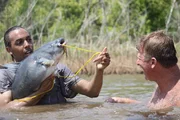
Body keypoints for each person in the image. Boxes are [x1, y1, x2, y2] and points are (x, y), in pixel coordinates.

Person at [0, 26, 110, 108]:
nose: (27, 44)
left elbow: (92, 92)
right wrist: (41, 91)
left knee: (114, 101)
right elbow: (5, 108)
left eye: (29, 39)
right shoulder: (5, 73)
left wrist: (99, 70)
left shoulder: (59, 69)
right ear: (8, 50)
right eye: (19, 42)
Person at [107, 30, 180, 110]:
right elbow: (155, 107)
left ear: (153, 62)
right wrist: (125, 101)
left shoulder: (177, 98)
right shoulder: (163, 84)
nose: (137, 62)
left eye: (139, 58)